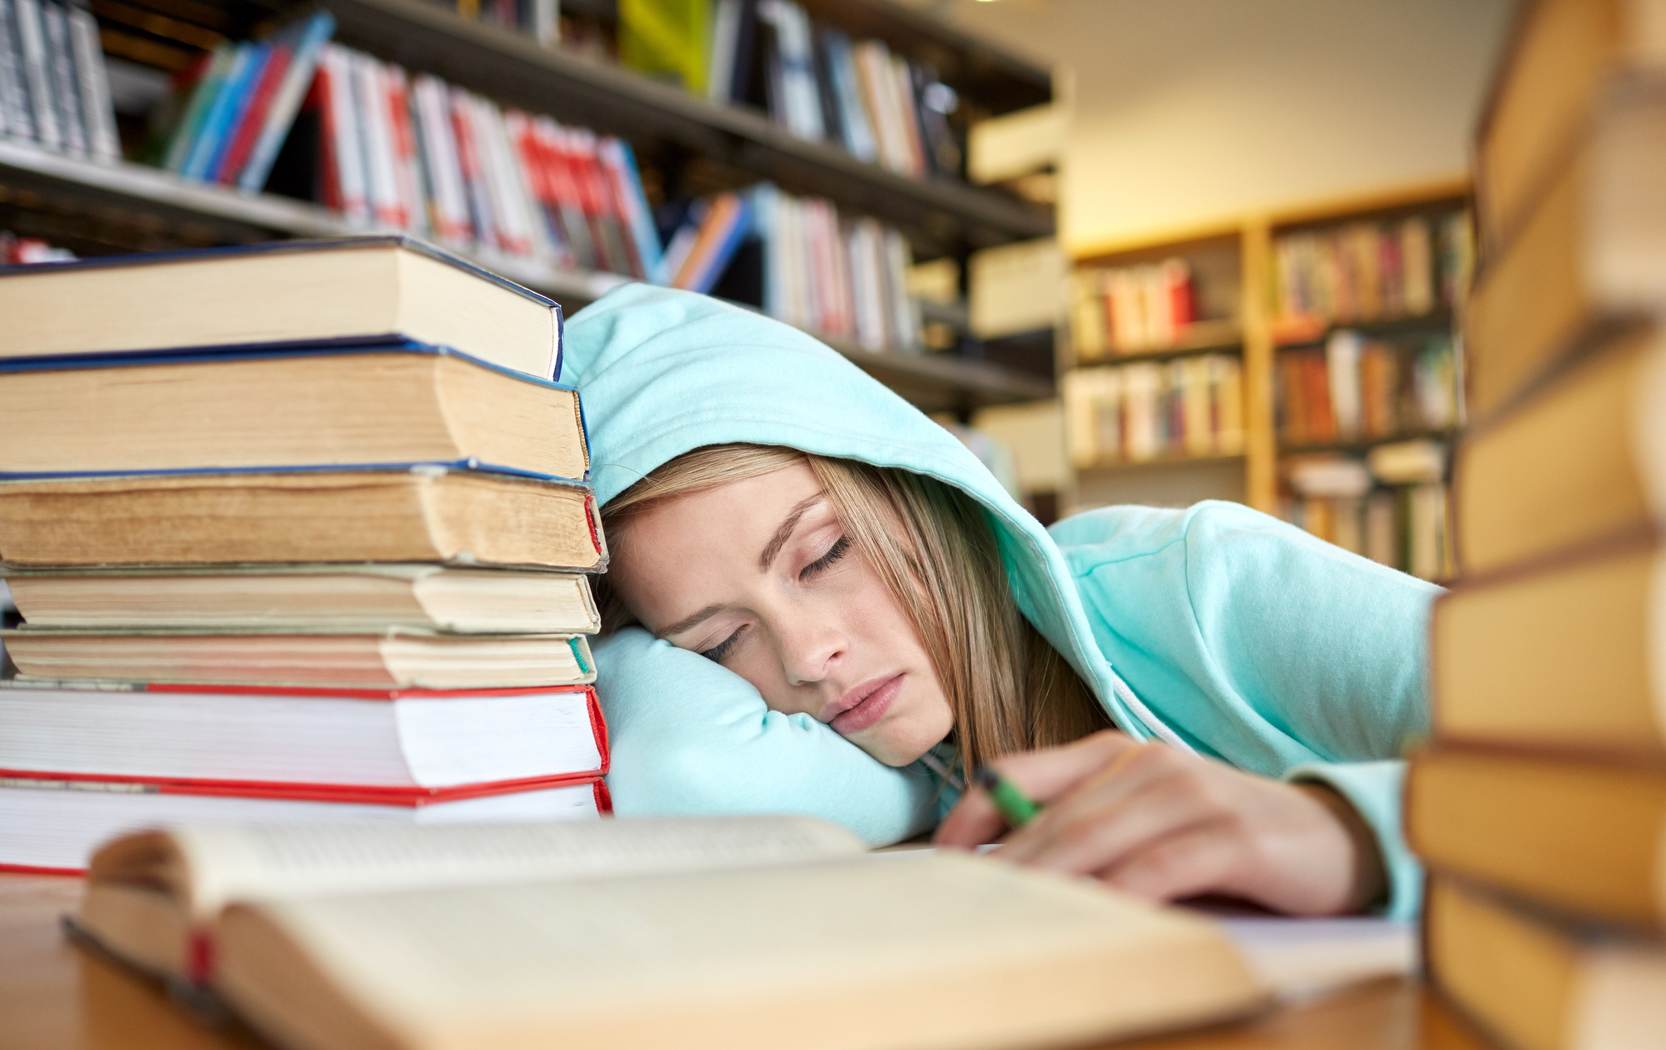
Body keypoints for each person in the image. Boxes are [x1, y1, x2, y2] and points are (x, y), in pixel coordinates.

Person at [570, 284, 1435, 919]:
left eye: (826, 554)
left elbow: (1571, 744)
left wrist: (1349, 832)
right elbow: (680, 767)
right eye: (722, 644)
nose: (805, 657)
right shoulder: (906, 748)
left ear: (917, 488)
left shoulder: (1200, 582)